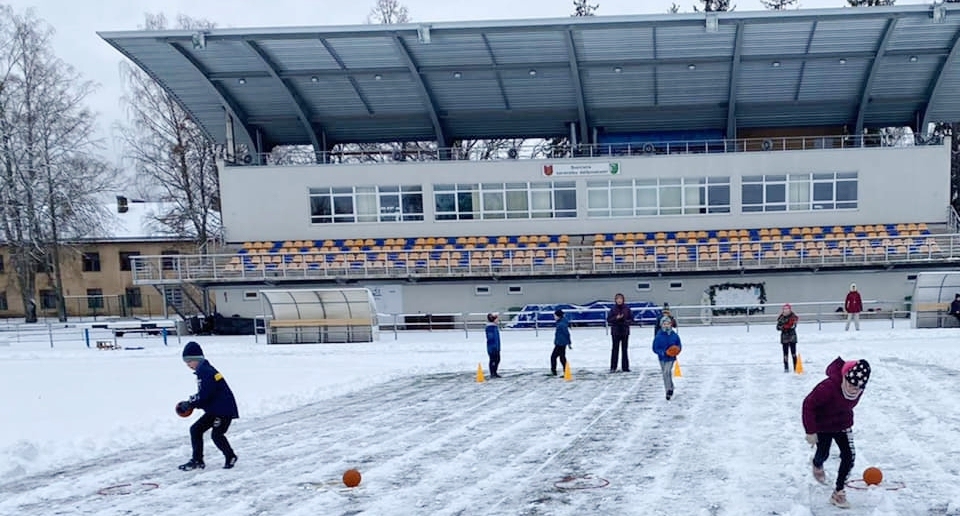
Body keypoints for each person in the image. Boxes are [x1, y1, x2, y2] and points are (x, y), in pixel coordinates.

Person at [802, 357, 872, 509]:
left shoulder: (858, 387)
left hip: (842, 424)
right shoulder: (828, 387)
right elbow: (808, 404)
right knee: (823, 453)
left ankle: (839, 492)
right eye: (852, 385)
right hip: (823, 425)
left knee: (849, 456)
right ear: (846, 377)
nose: (855, 389)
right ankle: (817, 463)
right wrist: (811, 431)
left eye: (859, 387)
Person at [178, 341, 240, 471]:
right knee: (195, 429)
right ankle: (197, 460)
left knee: (217, 435)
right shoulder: (203, 371)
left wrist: (191, 403)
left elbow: (205, 395)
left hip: (223, 410)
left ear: (197, 359)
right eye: (186, 362)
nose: (188, 365)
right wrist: (192, 402)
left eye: (189, 361)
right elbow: (205, 394)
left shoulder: (206, 372)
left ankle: (230, 456)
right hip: (215, 410)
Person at [651, 316, 681, 400]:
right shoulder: (658, 336)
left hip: (671, 358)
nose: (666, 325)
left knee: (666, 371)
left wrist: (676, 350)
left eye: (668, 324)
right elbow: (655, 348)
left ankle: (668, 391)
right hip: (662, 358)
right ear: (661, 325)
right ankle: (669, 387)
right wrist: (663, 352)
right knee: (665, 374)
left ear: (671, 324)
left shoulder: (674, 335)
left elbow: (679, 345)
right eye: (664, 324)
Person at [607, 293, 632, 373]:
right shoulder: (613, 309)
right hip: (615, 332)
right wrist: (616, 318)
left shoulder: (627, 308)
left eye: (620, 299)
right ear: (615, 300)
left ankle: (625, 367)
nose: (619, 300)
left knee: (625, 350)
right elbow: (609, 319)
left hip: (624, 331)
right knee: (615, 350)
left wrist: (625, 321)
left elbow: (632, 319)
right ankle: (613, 367)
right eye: (617, 299)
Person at [776, 304, 799, 372]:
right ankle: (786, 367)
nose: (786, 310)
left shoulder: (793, 317)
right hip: (784, 338)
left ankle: (795, 367)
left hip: (792, 337)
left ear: (790, 309)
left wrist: (787, 327)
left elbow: (793, 326)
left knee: (793, 353)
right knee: (785, 354)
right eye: (784, 309)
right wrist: (783, 327)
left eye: (787, 309)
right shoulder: (781, 318)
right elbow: (778, 327)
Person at [550, 309, 571, 376]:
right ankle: (566, 372)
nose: (554, 317)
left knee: (553, 357)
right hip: (561, 343)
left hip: (560, 344)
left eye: (555, 316)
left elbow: (567, 334)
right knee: (562, 358)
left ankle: (554, 372)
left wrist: (569, 343)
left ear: (559, 316)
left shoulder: (561, 324)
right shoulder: (561, 322)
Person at [485, 313, 502, 378]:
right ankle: (492, 373)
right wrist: (494, 347)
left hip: (496, 346)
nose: (498, 320)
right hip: (492, 347)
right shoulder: (490, 328)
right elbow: (491, 338)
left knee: (497, 359)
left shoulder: (494, 327)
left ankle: (494, 372)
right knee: (493, 360)